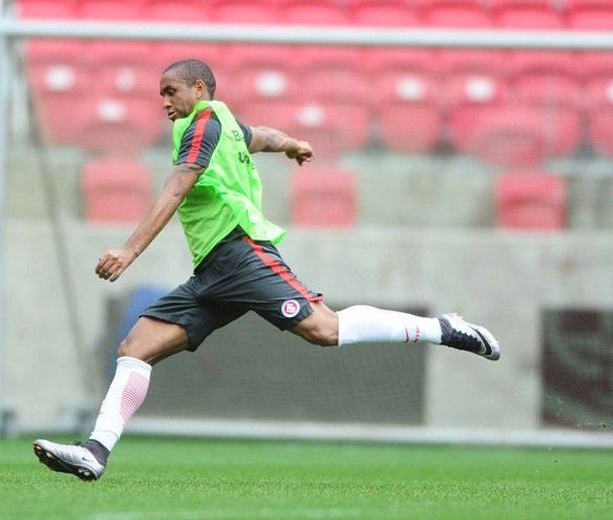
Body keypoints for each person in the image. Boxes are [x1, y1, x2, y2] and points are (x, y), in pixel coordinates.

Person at [33, 59, 500, 481]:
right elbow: (262, 137)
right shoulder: (226, 123)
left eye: (170, 91)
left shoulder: (202, 123)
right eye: (160, 94)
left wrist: (128, 251)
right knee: (136, 346)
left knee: (323, 328)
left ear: (199, 88)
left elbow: (175, 189)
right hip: (213, 272)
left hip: (241, 252)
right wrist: (291, 144)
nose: (164, 102)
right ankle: (96, 451)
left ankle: (443, 329)